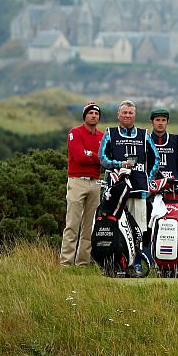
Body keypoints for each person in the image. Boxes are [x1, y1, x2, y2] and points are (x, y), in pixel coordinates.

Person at [98, 100, 161, 263]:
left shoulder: (144, 134)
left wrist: (147, 177)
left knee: (138, 229)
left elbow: (156, 159)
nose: (127, 115)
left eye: (130, 113)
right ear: (118, 115)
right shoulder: (109, 133)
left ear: (135, 115)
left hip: (138, 189)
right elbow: (102, 159)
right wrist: (119, 165)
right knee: (114, 228)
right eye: (124, 112)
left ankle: (136, 264)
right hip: (116, 191)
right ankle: (114, 263)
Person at [59, 101, 104, 267]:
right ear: (85, 115)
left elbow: (104, 160)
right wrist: (95, 157)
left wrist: (90, 155)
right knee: (72, 224)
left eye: (96, 113)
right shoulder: (75, 133)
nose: (93, 116)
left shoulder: (102, 136)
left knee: (89, 227)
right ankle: (65, 263)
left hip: (95, 182)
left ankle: (82, 264)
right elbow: (79, 156)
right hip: (77, 181)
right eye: (90, 113)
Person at [149, 109, 178, 180]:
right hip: (151, 186)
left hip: (173, 186)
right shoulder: (145, 140)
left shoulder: (176, 140)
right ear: (151, 122)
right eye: (157, 120)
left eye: (163, 120)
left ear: (167, 122)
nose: (160, 123)